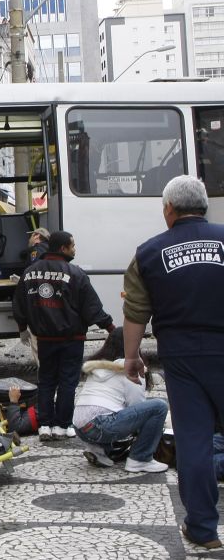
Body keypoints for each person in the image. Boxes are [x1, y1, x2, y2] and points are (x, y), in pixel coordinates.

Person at [122, 175, 224, 550]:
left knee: (195, 442)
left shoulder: (149, 253)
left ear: (168, 210)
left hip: (182, 357)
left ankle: (203, 531)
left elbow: (135, 310)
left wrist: (132, 357)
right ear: (205, 206)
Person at [13, 230, 114, 442]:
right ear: (63, 248)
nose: (74, 249)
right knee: (68, 382)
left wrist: (23, 327)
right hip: (71, 340)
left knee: (46, 381)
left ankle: (45, 426)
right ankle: (63, 425)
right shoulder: (76, 274)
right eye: (72, 246)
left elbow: (19, 305)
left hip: (45, 340)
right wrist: (112, 329)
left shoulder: (29, 273)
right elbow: (93, 308)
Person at [72, 329, 169, 472]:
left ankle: (100, 450)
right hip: (100, 425)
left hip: (79, 426)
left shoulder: (99, 366)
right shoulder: (132, 367)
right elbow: (138, 406)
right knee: (159, 407)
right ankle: (140, 458)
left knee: (115, 412)